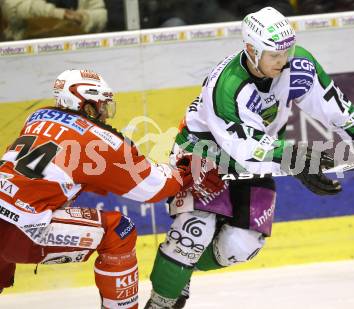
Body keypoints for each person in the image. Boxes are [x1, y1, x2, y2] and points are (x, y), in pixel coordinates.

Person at [145, 6, 354, 309]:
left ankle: (181, 271)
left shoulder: (296, 65)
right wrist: (294, 160)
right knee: (194, 233)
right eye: (274, 55)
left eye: (287, 51)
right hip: (202, 152)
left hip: (265, 151)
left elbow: (330, 101)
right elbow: (242, 148)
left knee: (240, 246)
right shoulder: (227, 86)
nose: (283, 61)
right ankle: (162, 300)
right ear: (250, 49)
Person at [0, 69, 224, 309]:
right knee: (119, 231)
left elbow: (54, 169)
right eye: (103, 105)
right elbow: (155, 187)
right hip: (19, 230)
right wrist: (191, 169)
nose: (106, 114)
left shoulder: (38, 117)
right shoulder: (98, 138)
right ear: (87, 104)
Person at [1, 0, 107, 41]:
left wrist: (83, 18)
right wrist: (59, 14)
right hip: (29, 48)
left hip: (80, 45)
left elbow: (101, 14)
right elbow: (15, 7)